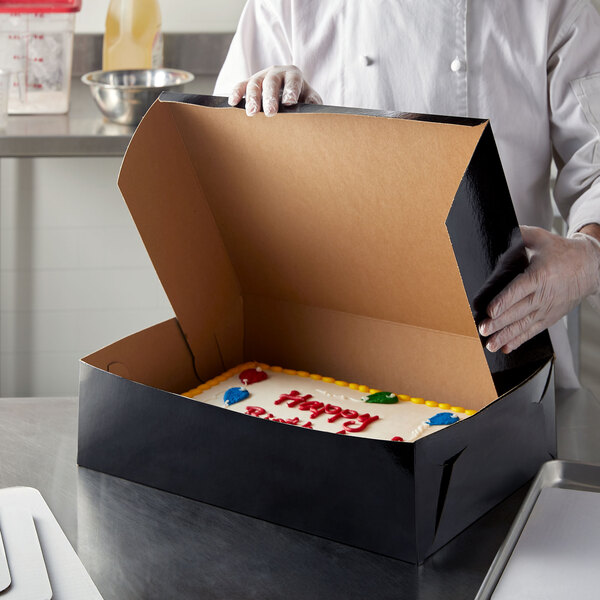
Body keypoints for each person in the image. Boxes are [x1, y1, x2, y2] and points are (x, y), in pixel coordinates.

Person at [214, 0, 600, 389]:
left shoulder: (554, 6)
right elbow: (223, 163)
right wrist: (269, 116)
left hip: (504, 349)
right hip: (320, 359)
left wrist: (587, 258)